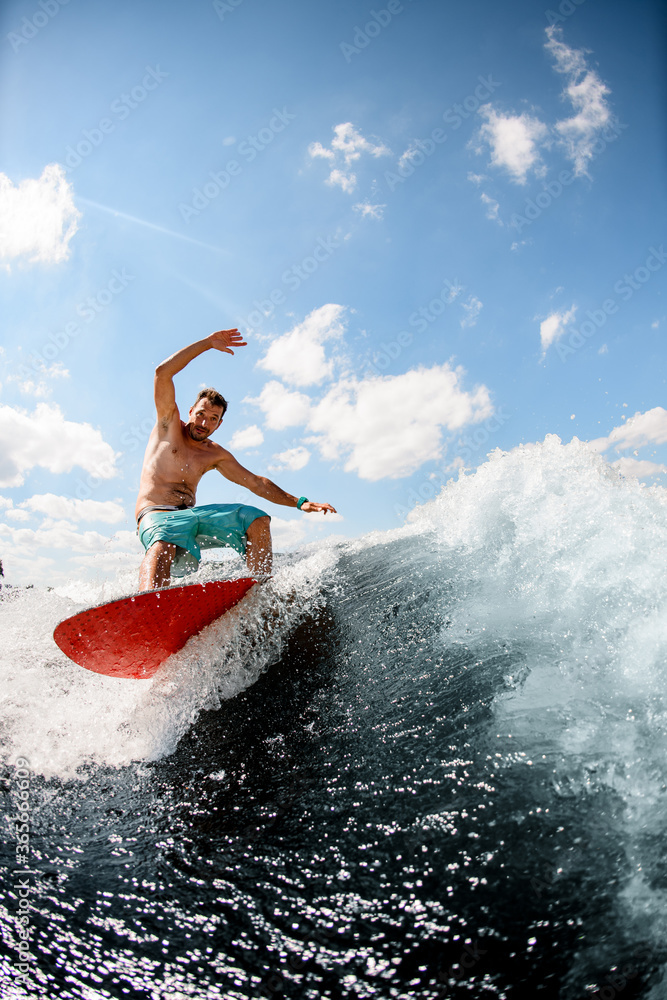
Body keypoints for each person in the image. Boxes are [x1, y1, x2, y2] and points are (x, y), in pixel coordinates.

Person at [135, 328, 336, 590]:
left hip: (192, 516)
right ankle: (147, 602)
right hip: (157, 517)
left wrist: (300, 503)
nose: (204, 423)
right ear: (190, 411)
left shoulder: (215, 454)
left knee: (257, 519)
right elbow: (162, 373)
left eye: (213, 419)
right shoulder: (168, 425)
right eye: (201, 414)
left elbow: (255, 483)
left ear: (219, 425)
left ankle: (259, 593)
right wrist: (207, 343)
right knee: (163, 542)